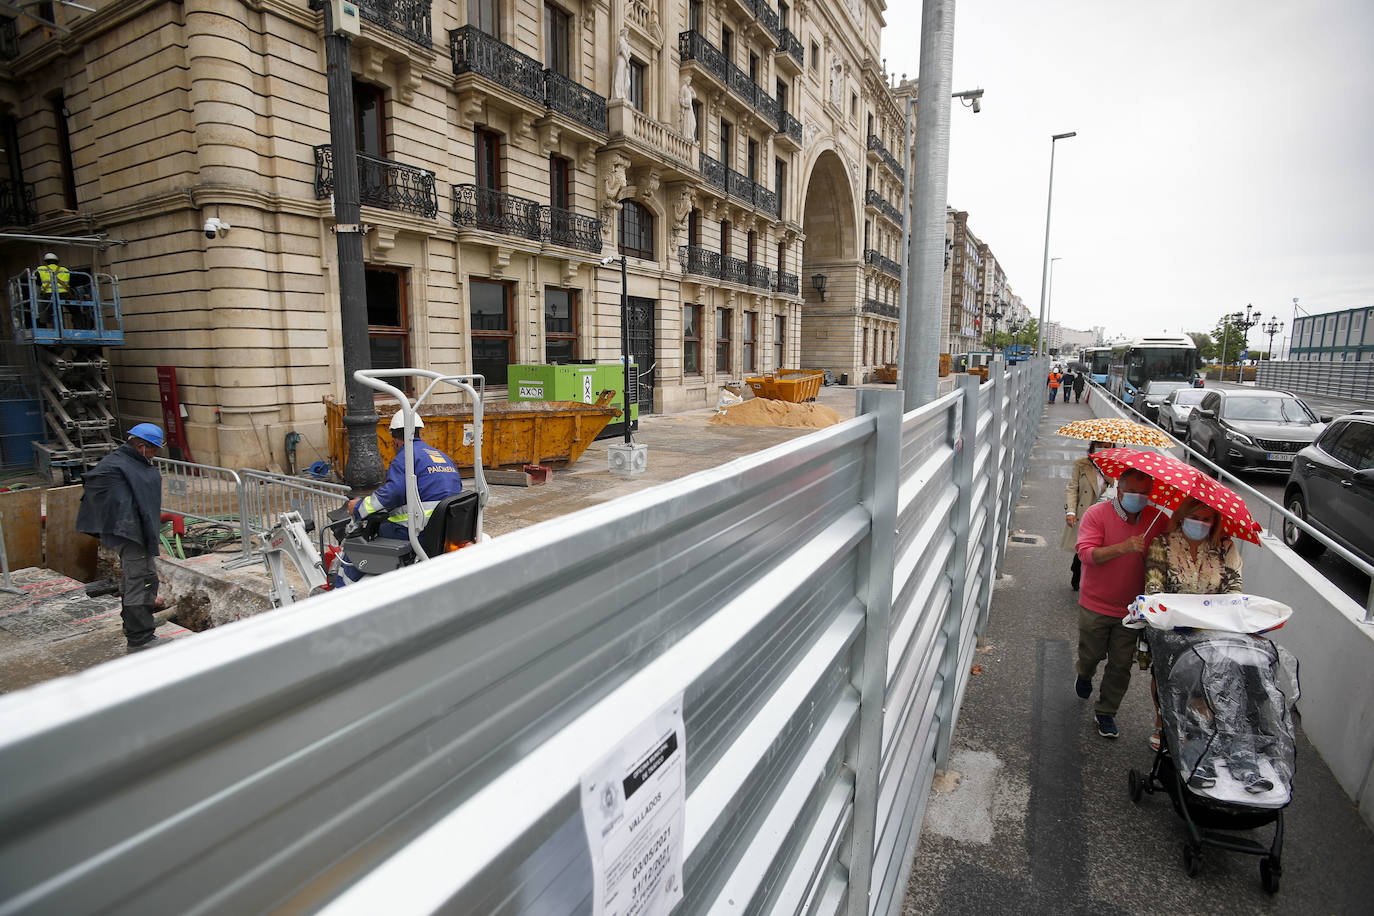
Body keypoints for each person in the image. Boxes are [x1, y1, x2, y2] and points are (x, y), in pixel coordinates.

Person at [1143, 497, 1260, 789]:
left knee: (1224, 693)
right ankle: (1189, 749)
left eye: (1207, 519)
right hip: (1173, 631)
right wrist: (1180, 614)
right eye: (1195, 517)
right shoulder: (1163, 544)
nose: (1201, 523)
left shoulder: (1224, 546)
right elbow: (1154, 587)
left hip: (1213, 632)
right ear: (1183, 517)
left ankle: (1243, 761)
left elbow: (1234, 589)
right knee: (1182, 689)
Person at [1074, 467, 1163, 738]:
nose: (1139, 497)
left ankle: (1106, 712)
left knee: (1121, 665)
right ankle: (1085, 673)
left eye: (1145, 493)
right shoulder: (1096, 514)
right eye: (1133, 492)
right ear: (1120, 490)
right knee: (1091, 655)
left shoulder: (1157, 519)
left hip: (1131, 610)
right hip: (1096, 604)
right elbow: (1086, 554)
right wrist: (1123, 547)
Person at [336, 412, 464, 584]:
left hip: (417, 531)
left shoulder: (406, 457)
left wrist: (359, 507)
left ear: (395, 439)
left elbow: (391, 494)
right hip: (446, 529)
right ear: (418, 431)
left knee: (358, 547)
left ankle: (341, 591)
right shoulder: (441, 457)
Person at [75, 424, 166, 653]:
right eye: (152, 450)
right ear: (140, 446)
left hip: (130, 531)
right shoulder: (119, 465)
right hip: (131, 534)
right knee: (142, 582)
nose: (153, 455)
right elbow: (112, 498)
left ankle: (137, 626)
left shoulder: (124, 463)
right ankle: (140, 639)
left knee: (139, 579)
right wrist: (131, 527)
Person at [1062, 440, 1114, 590]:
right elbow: (1072, 488)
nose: (1103, 448)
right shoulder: (1081, 464)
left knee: (1098, 549)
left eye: (1107, 445)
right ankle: (1077, 571)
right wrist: (1071, 511)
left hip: (1105, 514)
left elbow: (1119, 488)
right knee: (1084, 547)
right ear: (1092, 445)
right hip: (1085, 514)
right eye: (1100, 444)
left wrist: (1108, 473)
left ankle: (1090, 579)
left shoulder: (1115, 468)